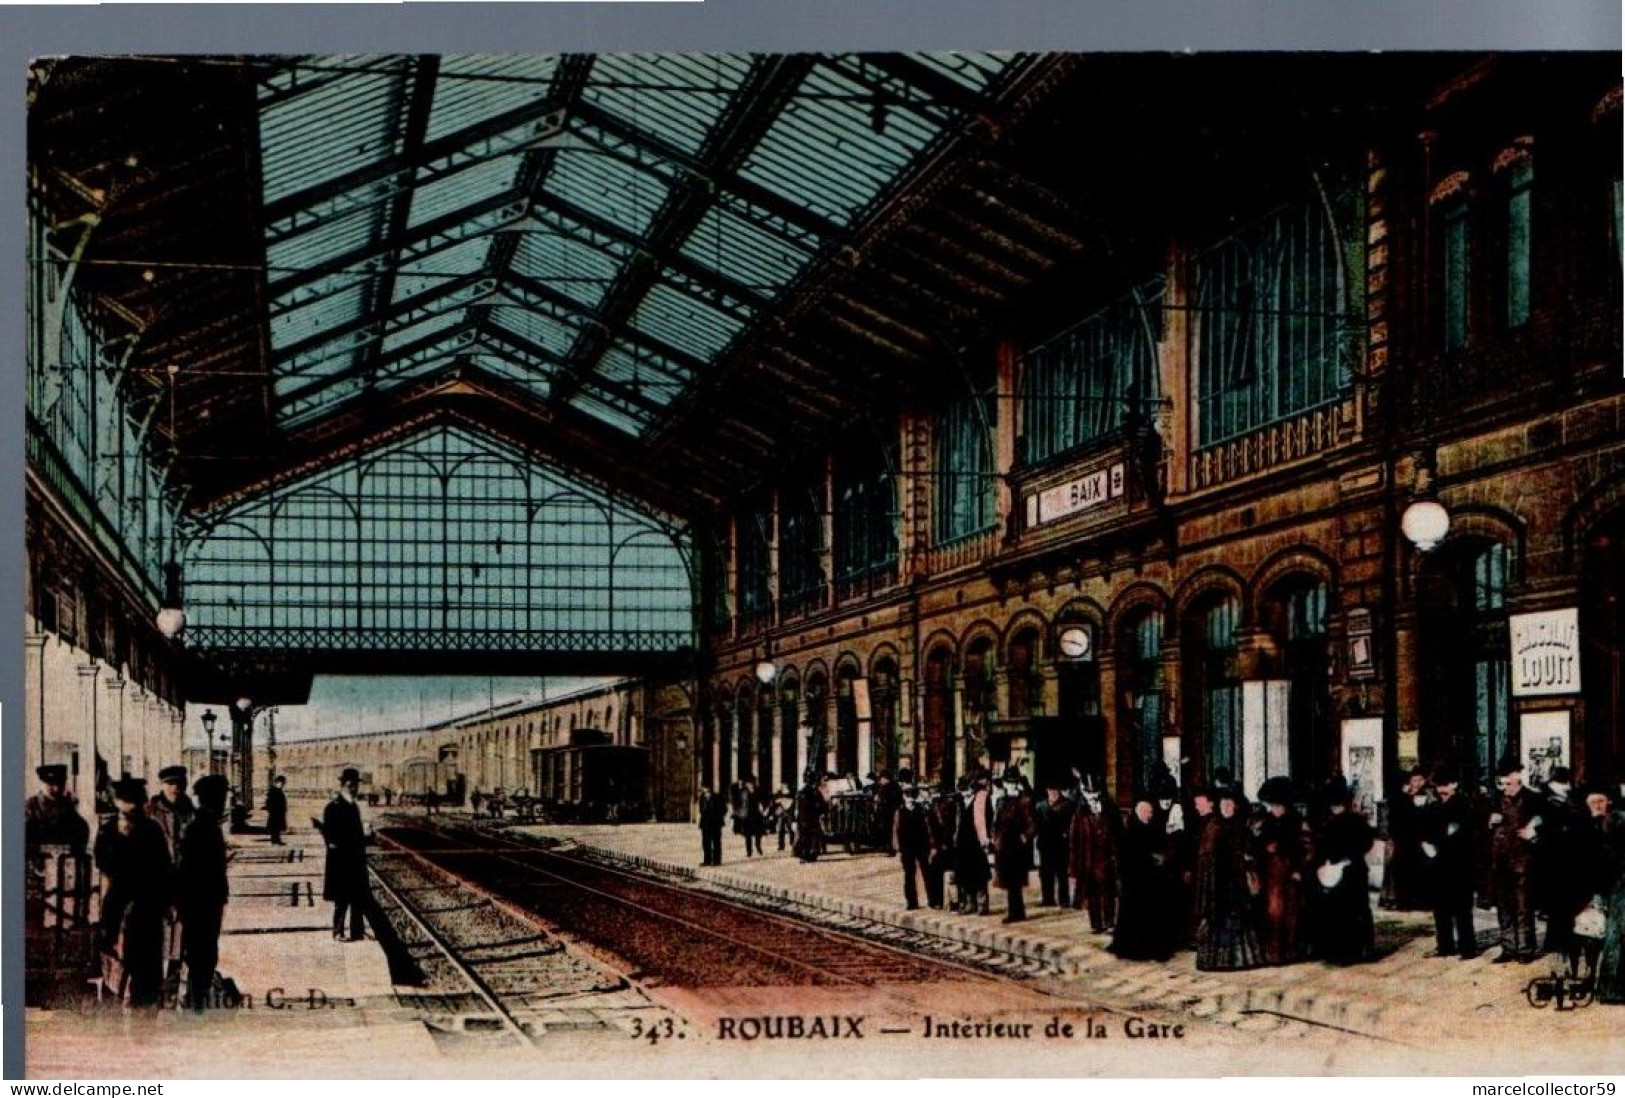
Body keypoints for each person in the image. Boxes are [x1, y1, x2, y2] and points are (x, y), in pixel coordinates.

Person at [94, 778, 172, 1007]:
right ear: (117, 802)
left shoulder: (152, 829)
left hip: (148, 904)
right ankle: (112, 1006)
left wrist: (165, 902)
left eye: (136, 802)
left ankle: (144, 1015)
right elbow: (102, 862)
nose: (131, 807)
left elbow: (164, 867)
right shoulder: (107, 830)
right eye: (126, 801)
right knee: (114, 962)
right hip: (117, 904)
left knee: (147, 968)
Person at [1194, 786, 1264, 971]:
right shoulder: (1213, 827)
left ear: (1236, 807)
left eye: (1230, 804)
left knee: (1240, 921)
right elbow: (1207, 858)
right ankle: (1216, 961)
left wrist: (1247, 860)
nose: (1226, 808)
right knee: (1218, 922)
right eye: (1223, 804)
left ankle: (1241, 960)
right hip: (1218, 884)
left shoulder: (1241, 828)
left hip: (1237, 883)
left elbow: (1250, 851)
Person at [175, 775, 230, 1011]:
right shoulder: (202, 827)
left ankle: (197, 998)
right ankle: (197, 1003)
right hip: (201, 903)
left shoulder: (202, 824)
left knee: (202, 953)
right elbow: (189, 868)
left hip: (205, 901)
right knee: (202, 954)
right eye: (222, 797)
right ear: (215, 799)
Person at [1309, 775, 1376, 965]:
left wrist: (1325, 864)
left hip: (1339, 872)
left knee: (1340, 912)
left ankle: (1341, 952)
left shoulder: (1328, 824)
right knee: (1357, 910)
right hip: (1355, 869)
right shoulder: (1357, 821)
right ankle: (1362, 950)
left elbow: (1323, 849)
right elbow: (1367, 843)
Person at [1489, 757, 1545, 963]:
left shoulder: (1532, 798)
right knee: (1504, 908)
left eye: (1508, 784)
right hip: (1501, 860)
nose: (1505, 788)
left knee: (1523, 906)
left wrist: (1534, 829)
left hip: (1523, 860)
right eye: (1502, 784)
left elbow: (1546, 819)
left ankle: (1525, 950)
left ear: (1518, 779)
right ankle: (1508, 948)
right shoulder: (1496, 798)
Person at [1420, 766, 1479, 959]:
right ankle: (1444, 945)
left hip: (1459, 864)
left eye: (1445, 785)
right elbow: (1426, 831)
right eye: (1438, 786)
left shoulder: (1463, 805)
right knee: (1440, 907)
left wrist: (1438, 840)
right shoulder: (1434, 806)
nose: (1441, 790)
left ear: (1454, 784)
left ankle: (1467, 947)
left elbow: (1456, 833)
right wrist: (1426, 843)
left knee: (1462, 908)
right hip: (1438, 863)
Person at [1110, 793, 1178, 961]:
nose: (1149, 815)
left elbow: (1163, 848)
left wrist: (1161, 859)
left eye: (1150, 812)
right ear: (1138, 812)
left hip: (1153, 882)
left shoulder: (1155, 828)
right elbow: (1126, 859)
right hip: (1135, 883)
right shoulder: (1129, 832)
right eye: (1146, 812)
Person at [1255, 776, 1310, 966]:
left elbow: (1307, 848)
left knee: (1291, 913)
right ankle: (1273, 953)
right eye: (1272, 805)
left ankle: (1291, 951)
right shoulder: (1266, 822)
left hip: (1290, 873)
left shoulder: (1297, 822)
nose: (1274, 809)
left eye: (1277, 805)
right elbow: (1257, 845)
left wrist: (1299, 869)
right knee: (1272, 913)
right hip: (1270, 874)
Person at [1538, 766, 1588, 962]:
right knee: (1558, 903)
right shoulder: (1548, 800)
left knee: (1565, 903)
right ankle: (1558, 941)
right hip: (1555, 857)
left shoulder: (1571, 798)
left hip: (1567, 858)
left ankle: (1563, 940)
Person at [321, 767, 374, 942]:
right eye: (351, 786)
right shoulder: (333, 808)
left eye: (356, 786)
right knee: (342, 899)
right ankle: (337, 932)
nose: (354, 789)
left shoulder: (353, 807)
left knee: (358, 897)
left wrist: (367, 835)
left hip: (355, 860)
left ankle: (357, 932)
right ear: (344, 785)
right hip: (341, 862)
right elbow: (331, 838)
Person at [1587, 783, 1625, 1003]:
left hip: (1614, 883)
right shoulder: (1601, 824)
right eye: (1592, 802)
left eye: (1600, 801)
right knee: (1615, 935)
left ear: (1609, 801)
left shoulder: (1613, 821)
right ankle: (1611, 989)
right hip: (1613, 885)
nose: (1597, 805)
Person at [1069, 779, 1120, 933]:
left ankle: (1110, 921)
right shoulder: (1080, 815)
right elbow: (1074, 843)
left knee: (1108, 892)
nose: (1092, 798)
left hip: (1107, 859)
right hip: (1089, 859)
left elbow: (1117, 835)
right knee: (1092, 893)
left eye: (1095, 794)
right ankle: (1096, 923)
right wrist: (1073, 868)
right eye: (1089, 795)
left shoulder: (1110, 812)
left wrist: (1115, 856)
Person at [1381, 766, 1433, 911]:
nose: (1417, 783)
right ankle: (1402, 900)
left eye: (1420, 780)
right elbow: (1394, 819)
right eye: (1414, 780)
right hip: (1404, 839)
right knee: (1402, 871)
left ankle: (1419, 900)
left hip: (1422, 839)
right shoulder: (1401, 798)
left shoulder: (1429, 796)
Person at [993, 777, 1038, 924]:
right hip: (1004, 844)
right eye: (1008, 782)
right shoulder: (1001, 801)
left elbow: (1032, 823)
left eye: (1012, 782)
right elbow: (996, 822)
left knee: (1015, 881)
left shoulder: (1023, 801)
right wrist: (995, 837)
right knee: (1007, 880)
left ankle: (1017, 912)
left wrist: (1026, 836)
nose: (1010, 785)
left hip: (1016, 845)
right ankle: (1014, 911)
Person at [954, 772, 995, 915]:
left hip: (977, 842)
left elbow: (989, 820)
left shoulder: (982, 800)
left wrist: (988, 839)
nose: (964, 792)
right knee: (965, 875)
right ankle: (970, 904)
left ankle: (982, 905)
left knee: (980, 875)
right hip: (962, 843)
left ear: (973, 788)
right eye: (962, 790)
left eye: (967, 789)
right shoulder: (959, 801)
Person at [26, 764, 91, 853]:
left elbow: (82, 828)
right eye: (51, 784)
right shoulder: (31, 806)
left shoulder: (67, 805)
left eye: (60, 784)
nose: (56, 789)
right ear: (42, 783)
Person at [1034, 780, 1074, 908]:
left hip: (1060, 844)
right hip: (1045, 843)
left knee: (1061, 873)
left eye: (1056, 791)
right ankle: (1048, 898)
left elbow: (1071, 824)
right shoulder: (1040, 806)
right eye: (1051, 791)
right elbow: (1036, 824)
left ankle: (1064, 899)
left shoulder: (1067, 805)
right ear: (1047, 791)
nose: (1053, 793)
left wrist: (1066, 834)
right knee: (1045, 873)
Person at [896, 788, 933, 910]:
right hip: (906, 847)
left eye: (912, 796)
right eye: (907, 796)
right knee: (909, 874)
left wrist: (930, 844)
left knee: (927, 872)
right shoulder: (900, 812)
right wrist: (897, 848)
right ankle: (911, 901)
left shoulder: (921, 810)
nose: (910, 798)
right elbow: (896, 831)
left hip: (922, 845)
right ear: (903, 797)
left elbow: (928, 828)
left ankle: (932, 900)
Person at [793, 775, 828, 863]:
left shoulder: (800, 792)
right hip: (811, 817)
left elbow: (797, 808)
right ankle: (810, 855)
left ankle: (803, 856)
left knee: (804, 837)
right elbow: (821, 804)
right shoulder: (814, 792)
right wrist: (822, 811)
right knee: (813, 837)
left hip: (803, 818)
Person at [873, 770, 904, 856]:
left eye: (881, 779)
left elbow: (883, 800)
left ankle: (891, 849)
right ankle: (892, 848)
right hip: (892, 810)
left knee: (890, 830)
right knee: (891, 830)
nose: (880, 781)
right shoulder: (894, 786)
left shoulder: (887, 788)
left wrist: (879, 800)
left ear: (886, 779)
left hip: (889, 811)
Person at [698, 788, 727, 867]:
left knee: (716, 842)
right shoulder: (702, 797)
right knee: (706, 843)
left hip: (715, 824)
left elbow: (724, 809)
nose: (705, 791)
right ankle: (707, 860)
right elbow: (700, 809)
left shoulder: (718, 797)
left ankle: (716, 860)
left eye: (706, 790)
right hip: (705, 824)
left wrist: (717, 817)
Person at [264, 775, 289, 846]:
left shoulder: (275, 789)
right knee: (275, 826)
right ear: (279, 782)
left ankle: (276, 840)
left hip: (278, 811)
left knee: (277, 826)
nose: (283, 784)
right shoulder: (275, 789)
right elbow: (270, 801)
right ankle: (275, 840)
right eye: (283, 782)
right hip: (276, 811)